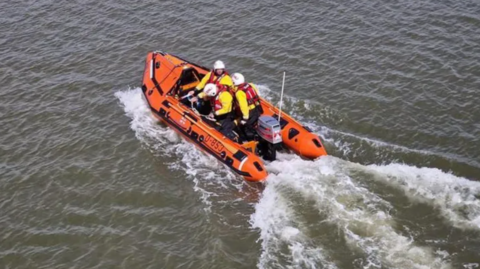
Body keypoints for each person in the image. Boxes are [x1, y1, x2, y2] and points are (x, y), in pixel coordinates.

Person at [231, 73, 263, 141]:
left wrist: (245, 119)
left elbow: (243, 106)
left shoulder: (239, 93)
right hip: (257, 108)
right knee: (252, 125)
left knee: (245, 127)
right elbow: (256, 94)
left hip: (250, 113)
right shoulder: (250, 85)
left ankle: (249, 141)